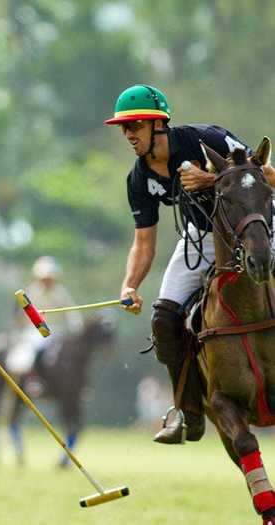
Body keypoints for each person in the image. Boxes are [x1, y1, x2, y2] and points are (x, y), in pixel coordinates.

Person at [105, 84, 275, 444]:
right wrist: (129, 285)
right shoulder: (139, 179)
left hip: (257, 228)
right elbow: (143, 242)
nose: (128, 134)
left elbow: (263, 175)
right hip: (204, 238)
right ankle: (187, 411)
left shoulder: (207, 138)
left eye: (135, 125)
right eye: (124, 127)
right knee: (164, 318)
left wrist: (211, 179)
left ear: (158, 125)